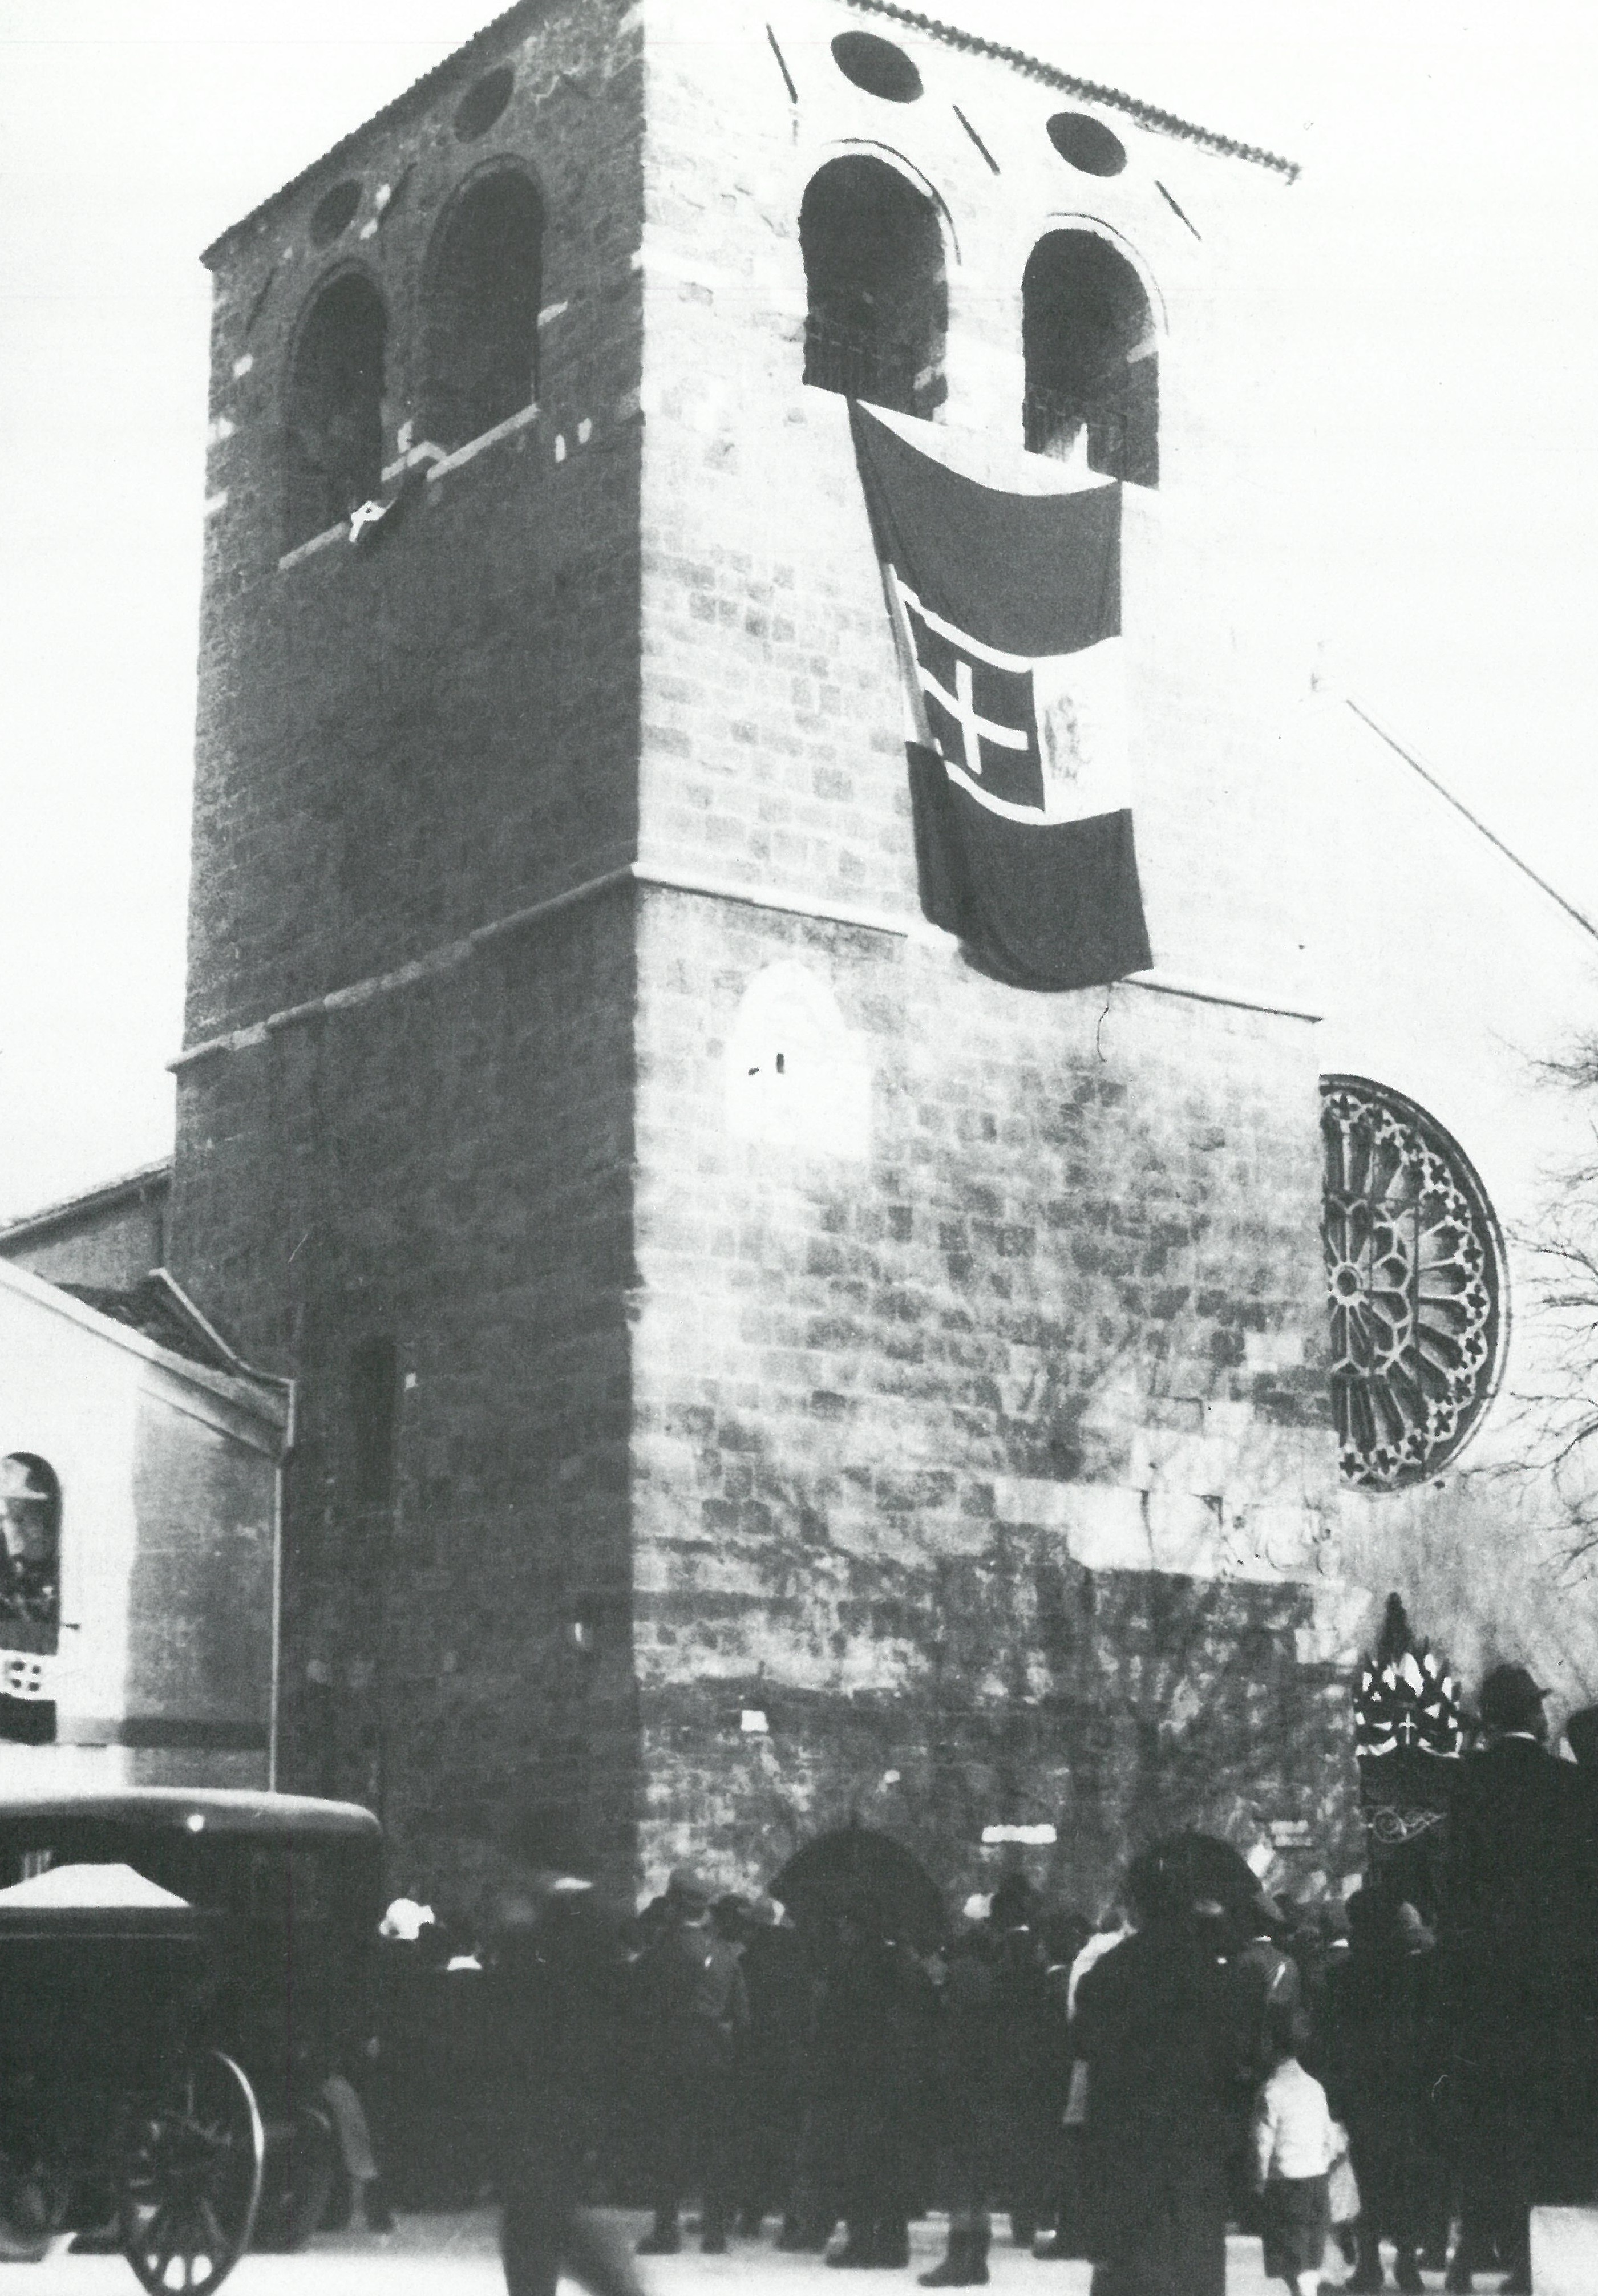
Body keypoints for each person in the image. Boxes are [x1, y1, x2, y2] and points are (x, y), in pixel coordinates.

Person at [1435, 1660, 1581, 2293]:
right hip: (1559, 1990)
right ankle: (1529, 2263)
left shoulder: (1460, 1790)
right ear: (1532, 1714)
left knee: (1482, 2118)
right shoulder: (1572, 1787)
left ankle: (1471, 2247)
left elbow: (1443, 1887)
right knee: (1547, 2120)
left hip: (1478, 1992)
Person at [1074, 1844, 1238, 2296]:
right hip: (1193, 2136)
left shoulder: (1109, 1970)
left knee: (1130, 2261)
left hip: (1126, 2134)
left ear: (1137, 1906)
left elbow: (1083, 2043)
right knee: (1193, 2254)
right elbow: (1234, 2054)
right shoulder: (1212, 1970)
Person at [483, 1862, 643, 2296]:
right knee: (551, 2211)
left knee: (536, 2217)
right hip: (576, 2096)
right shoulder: (595, 1921)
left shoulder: (534, 1932)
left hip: (540, 2097)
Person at [1321, 1886, 1441, 2294]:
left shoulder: (1342, 1978)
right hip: (1410, 2095)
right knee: (1408, 2178)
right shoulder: (1418, 1975)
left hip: (1362, 2098)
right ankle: (1406, 2262)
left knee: (1365, 2181)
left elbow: (1329, 2045)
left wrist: (1334, 2102)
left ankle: (1369, 2263)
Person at [632, 1869, 749, 2255]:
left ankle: (666, 2230)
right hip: (715, 2062)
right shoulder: (725, 1956)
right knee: (714, 2145)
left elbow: (638, 2008)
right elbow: (741, 2016)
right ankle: (715, 2232)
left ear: (673, 1904)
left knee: (666, 2143)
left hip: (667, 2059)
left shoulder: (659, 1952)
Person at [1252, 2003, 1340, 2296]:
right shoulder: (1315, 2088)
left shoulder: (1270, 2091)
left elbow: (1262, 2143)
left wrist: (1257, 2182)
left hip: (1286, 2187)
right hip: (1316, 2182)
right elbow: (1330, 2138)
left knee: (1292, 2262)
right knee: (1309, 2261)